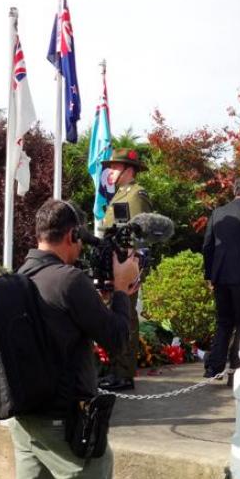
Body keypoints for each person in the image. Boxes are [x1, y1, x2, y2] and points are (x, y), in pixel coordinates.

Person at [6, 199, 150, 479]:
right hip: (69, 426)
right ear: (70, 237)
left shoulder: (16, 281)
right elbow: (116, 338)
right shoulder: (68, 281)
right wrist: (124, 290)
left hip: (25, 420)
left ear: (37, 235)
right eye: (79, 241)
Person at [98, 148, 152, 392]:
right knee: (115, 316)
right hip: (115, 263)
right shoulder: (119, 194)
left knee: (127, 318)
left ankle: (124, 373)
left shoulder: (136, 194)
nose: (111, 171)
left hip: (127, 266)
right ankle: (116, 370)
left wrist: (137, 267)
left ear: (129, 170)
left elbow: (141, 233)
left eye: (116, 167)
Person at [202, 177, 240, 381]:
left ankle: (214, 367)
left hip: (220, 275)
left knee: (223, 321)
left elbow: (207, 246)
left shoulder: (217, 212)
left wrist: (210, 275)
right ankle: (237, 369)